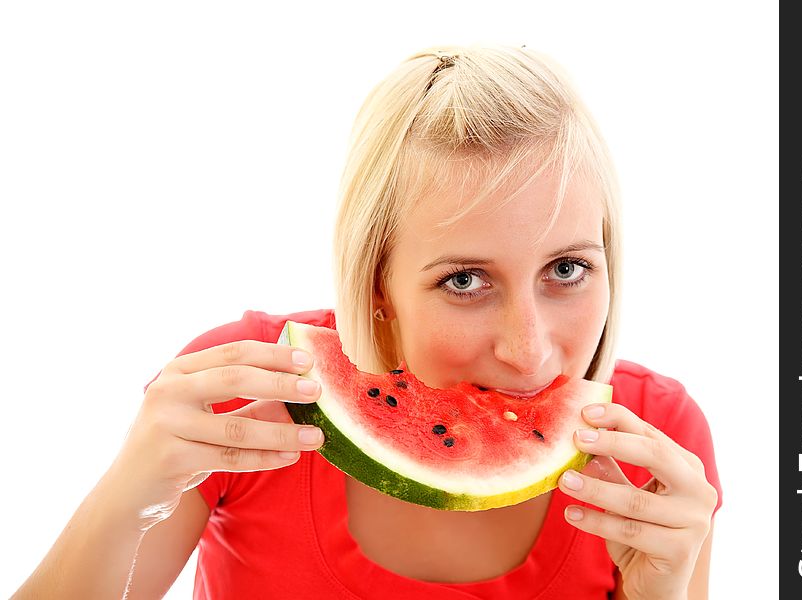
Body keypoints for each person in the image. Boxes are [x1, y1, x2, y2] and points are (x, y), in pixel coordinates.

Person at [14, 44, 721, 600]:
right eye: (465, 281)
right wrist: (127, 491)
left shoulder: (655, 444)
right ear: (377, 279)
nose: (527, 350)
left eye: (566, 270)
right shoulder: (251, 389)